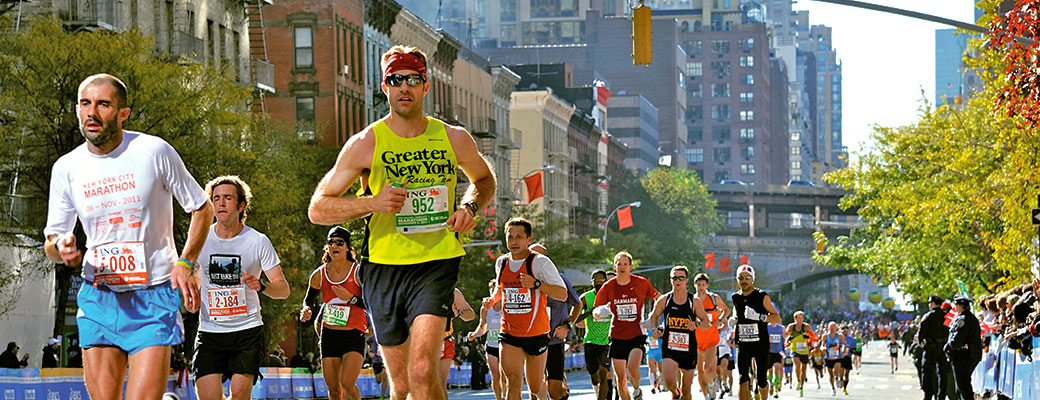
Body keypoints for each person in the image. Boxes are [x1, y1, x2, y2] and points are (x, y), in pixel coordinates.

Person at [306, 45, 496, 400]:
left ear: (426, 87)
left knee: (424, 369)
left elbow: (484, 180)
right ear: (385, 87)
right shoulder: (365, 144)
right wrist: (372, 203)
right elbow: (318, 209)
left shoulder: (453, 138)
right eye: (396, 80)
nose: (404, 87)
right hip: (383, 268)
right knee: (404, 384)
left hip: (436, 262)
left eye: (413, 79)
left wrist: (469, 208)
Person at [43, 73, 213, 399]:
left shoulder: (154, 151)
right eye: (85, 104)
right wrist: (60, 247)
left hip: (152, 295)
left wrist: (186, 261)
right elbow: (53, 239)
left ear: (123, 113)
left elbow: (201, 207)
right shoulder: (67, 167)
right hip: (99, 294)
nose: (92, 113)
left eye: (103, 104)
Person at [192, 176, 291, 400]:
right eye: (216, 198)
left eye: (228, 198)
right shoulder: (199, 238)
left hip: (247, 331)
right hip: (210, 331)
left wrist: (262, 285)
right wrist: (190, 297)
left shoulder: (257, 241)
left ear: (241, 205)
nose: (221, 203)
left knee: (239, 395)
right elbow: (195, 278)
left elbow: (283, 289)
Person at [486, 218, 567, 400]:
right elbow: (502, 289)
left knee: (535, 387)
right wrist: (491, 301)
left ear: (528, 240)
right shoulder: (502, 262)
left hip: (536, 333)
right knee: (513, 381)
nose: (514, 242)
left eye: (519, 237)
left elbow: (562, 294)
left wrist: (536, 284)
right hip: (509, 331)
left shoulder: (540, 263)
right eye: (510, 237)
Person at [298, 227, 368, 400]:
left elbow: (371, 304)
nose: (335, 245)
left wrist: (351, 298)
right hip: (329, 336)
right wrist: (306, 310)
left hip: (353, 334)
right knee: (334, 390)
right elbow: (308, 300)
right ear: (327, 247)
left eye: (340, 242)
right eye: (331, 242)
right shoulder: (319, 275)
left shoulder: (358, 272)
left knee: (347, 384)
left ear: (347, 248)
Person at [593, 251, 661, 400]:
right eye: (619, 264)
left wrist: (653, 316)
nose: (622, 267)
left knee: (632, 367)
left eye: (625, 264)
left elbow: (659, 298)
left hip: (637, 334)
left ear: (630, 267)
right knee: (621, 380)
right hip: (617, 335)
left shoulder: (641, 283)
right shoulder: (608, 286)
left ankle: (637, 390)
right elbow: (596, 310)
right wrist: (600, 312)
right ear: (614, 266)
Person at [647, 265, 710, 400]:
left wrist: (696, 324)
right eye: (674, 278)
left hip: (689, 349)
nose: (678, 280)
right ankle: (675, 394)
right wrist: (654, 329)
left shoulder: (694, 301)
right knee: (669, 381)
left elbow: (706, 322)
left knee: (686, 389)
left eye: (681, 277)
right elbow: (654, 316)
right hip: (670, 347)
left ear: (686, 280)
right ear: (671, 280)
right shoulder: (664, 299)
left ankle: (681, 394)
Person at [533, 243, 581, 400]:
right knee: (536, 387)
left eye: (541, 257)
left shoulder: (560, 279)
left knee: (554, 392)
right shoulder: (524, 281)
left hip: (554, 341)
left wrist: (567, 326)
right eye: (533, 256)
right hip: (532, 340)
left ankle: (562, 385)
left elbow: (577, 304)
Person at [730, 265, 781, 400]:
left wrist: (759, 317)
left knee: (761, 379)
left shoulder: (761, 296)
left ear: (752, 279)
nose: (744, 281)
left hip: (760, 344)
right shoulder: (736, 297)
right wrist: (734, 319)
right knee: (743, 379)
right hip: (743, 343)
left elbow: (777, 317)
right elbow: (736, 311)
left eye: (747, 278)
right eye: (741, 278)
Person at [573, 269, 613, 400]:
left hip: (607, 341)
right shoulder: (585, 297)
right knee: (594, 375)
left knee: (604, 375)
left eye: (602, 280)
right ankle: (596, 389)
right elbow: (573, 318)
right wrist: (588, 313)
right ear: (592, 282)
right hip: (590, 341)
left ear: (606, 281)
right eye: (596, 280)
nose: (599, 282)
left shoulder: (611, 297)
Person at [692, 273, 730, 400]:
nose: (701, 287)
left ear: (707, 285)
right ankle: (706, 395)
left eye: (703, 284)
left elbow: (727, 310)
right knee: (700, 371)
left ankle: (712, 383)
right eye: (698, 284)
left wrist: (721, 319)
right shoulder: (691, 301)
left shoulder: (714, 298)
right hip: (697, 340)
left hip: (712, 339)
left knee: (707, 367)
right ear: (694, 285)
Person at [467, 280, 504, 400]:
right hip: (491, 346)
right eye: (491, 290)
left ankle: (507, 396)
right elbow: (483, 327)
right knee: (495, 375)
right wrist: (475, 334)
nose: (493, 292)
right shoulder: (485, 309)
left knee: (505, 376)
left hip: (506, 346)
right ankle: (499, 398)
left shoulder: (506, 306)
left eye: (495, 289)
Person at [945, 295, 981, 400]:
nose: (955, 306)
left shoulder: (964, 319)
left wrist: (949, 346)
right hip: (966, 354)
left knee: (963, 385)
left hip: (964, 355)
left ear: (961, 305)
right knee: (960, 386)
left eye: (956, 304)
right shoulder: (965, 317)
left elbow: (958, 339)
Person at [441, 288, 476, 387]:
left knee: (440, 382)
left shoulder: (453, 292)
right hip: (423, 341)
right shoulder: (420, 288)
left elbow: (470, 314)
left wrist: (458, 312)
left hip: (445, 340)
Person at [919, 294, 951, 400]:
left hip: (930, 347)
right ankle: (941, 396)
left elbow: (921, 334)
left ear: (933, 304)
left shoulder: (928, 316)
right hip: (943, 347)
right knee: (942, 373)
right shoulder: (947, 317)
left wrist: (922, 343)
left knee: (927, 372)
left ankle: (928, 395)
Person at [785, 311, 815, 396]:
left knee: (803, 369)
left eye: (802, 318)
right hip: (794, 349)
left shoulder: (806, 327)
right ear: (795, 318)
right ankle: (798, 380)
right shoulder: (791, 326)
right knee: (797, 364)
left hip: (804, 351)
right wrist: (787, 341)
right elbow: (786, 335)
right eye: (799, 318)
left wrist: (809, 337)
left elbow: (814, 337)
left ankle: (801, 387)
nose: (801, 320)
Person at [821, 322, 846, 396]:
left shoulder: (839, 336)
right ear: (828, 328)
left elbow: (844, 343)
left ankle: (837, 378)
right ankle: (832, 388)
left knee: (836, 369)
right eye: (831, 327)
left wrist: (843, 351)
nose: (832, 328)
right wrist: (823, 348)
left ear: (836, 328)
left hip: (837, 356)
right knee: (831, 375)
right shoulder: (825, 336)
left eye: (834, 327)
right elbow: (822, 345)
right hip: (828, 357)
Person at [766, 320, 786, 398]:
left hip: (778, 351)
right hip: (769, 352)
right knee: (770, 371)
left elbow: (785, 337)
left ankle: (776, 390)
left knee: (777, 369)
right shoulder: (767, 327)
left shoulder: (781, 328)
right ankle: (771, 383)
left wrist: (786, 338)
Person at [366, 333, 389, 400]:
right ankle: (382, 394)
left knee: (384, 376)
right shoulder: (373, 337)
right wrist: (369, 353)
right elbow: (366, 343)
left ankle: (382, 396)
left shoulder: (386, 336)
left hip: (384, 359)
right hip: (376, 360)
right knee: (378, 380)